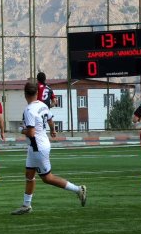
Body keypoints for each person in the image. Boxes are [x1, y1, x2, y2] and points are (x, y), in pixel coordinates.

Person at [12, 82, 86, 215]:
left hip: (37, 146)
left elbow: (31, 133)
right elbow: (51, 120)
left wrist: (21, 130)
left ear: (25, 94)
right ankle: (26, 205)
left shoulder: (29, 110)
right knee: (29, 175)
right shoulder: (42, 105)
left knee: (47, 178)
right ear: (36, 93)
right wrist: (53, 130)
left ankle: (78, 189)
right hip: (38, 146)